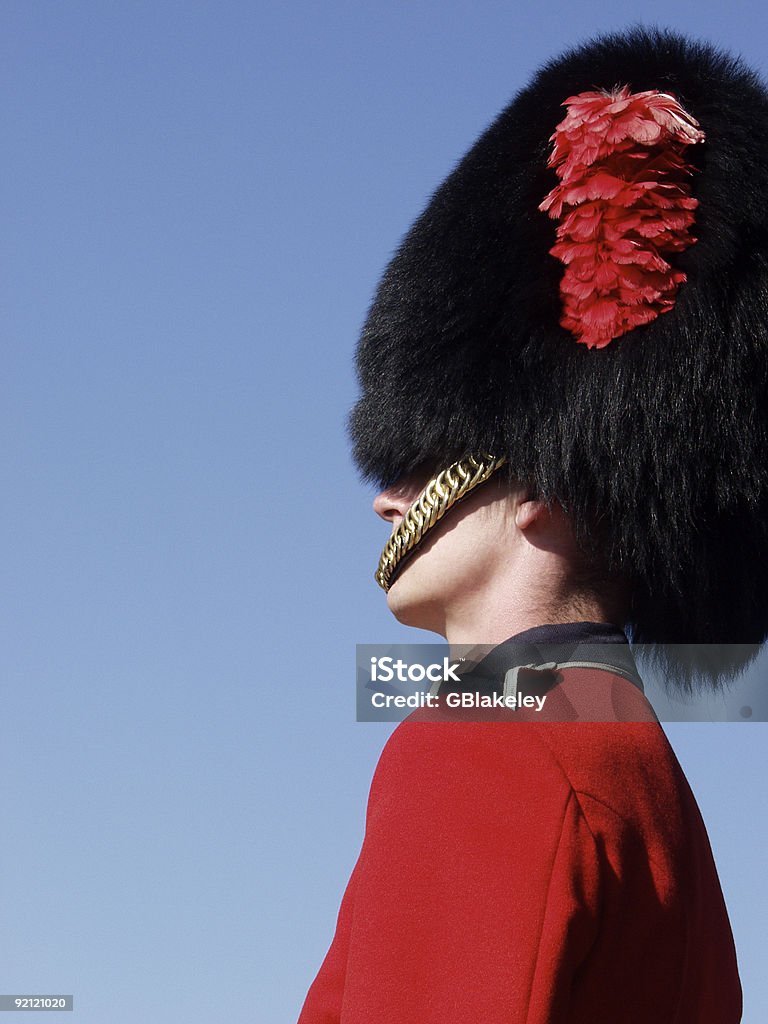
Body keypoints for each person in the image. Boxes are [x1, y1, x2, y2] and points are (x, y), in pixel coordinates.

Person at [298, 26, 768, 1022]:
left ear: (547, 472)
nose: (388, 497)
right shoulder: (652, 795)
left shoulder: (483, 745)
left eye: (424, 454)